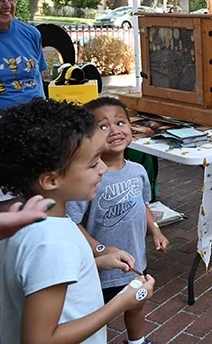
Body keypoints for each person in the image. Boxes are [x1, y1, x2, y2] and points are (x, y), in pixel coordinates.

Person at [0, 98, 155, 344]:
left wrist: (94, 263)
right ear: (51, 179)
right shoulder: (53, 245)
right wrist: (122, 302)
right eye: (92, 162)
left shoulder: (21, 221)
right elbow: (39, 340)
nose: (102, 169)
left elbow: (40, 275)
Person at [67, 96, 168, 344]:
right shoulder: (87, 179)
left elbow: (142, 203)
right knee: (94, 314)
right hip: (100, 268)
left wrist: (155, 230)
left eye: (120, 122)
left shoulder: (138, 170)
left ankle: (137, 342)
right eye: (102, 126)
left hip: (135, 262)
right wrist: (99, 249)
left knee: (137, 305)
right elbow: (71, 222)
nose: (114, 131)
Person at [0, 0, 49, 273]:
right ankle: (4, 265)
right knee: (3, 199)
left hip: (34, 123)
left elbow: (39, 75)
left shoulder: (30, 34)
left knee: (37, 189)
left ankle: (33, 256)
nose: (6, 4)